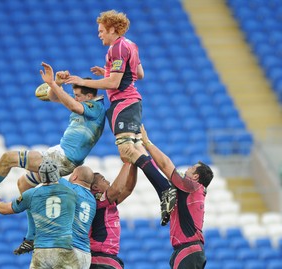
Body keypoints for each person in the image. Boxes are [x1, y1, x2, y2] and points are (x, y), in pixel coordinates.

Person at [0, 62, 106, 209]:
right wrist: (57, 83)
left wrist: (52, 85)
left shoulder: (96, 107)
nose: (75, 97)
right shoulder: (85, 104)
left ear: (88, 96)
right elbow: (54, 97)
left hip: (65, 159)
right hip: (59, 153)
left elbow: (73, 105)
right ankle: (32, 235)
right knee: (23, 184)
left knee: (8, 158)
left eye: (78, 95)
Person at [122, 125, 214, 269]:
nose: (187, 169)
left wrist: (147, 143)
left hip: (189, 250)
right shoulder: (186, 193)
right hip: (186, 251)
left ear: (196, 176)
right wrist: (139, 148)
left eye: (191, 168)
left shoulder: (192, 186)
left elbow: (165, 165)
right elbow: (158, 179)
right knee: (166, 190)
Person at [65, 10, 147, 164]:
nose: (99, 35)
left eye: (101, 31)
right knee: (135, 150)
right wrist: (108, 72)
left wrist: (82, 81)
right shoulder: (131, 45)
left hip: (124, 102)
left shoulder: (116, 48)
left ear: (112, 29)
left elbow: (113, 83)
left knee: (127, 151)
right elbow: (139, 73)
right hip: (133, 102)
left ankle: (162, 186)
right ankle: (163, 183)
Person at [0, 159, 80, 269]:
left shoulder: (31, 194)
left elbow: (5, 209)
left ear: (40, 176)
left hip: (42, 249)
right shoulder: (72, 193)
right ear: (58, 174)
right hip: (64, 248)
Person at [16, 165, 97, 269]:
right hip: (84, 255)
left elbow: (46, 171)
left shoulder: (68, 186)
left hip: (68, 249)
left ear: (75, 177)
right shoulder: (92, 200)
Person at [89, 162, 137, 269]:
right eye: (103, 179)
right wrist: (127, 162)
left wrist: (134, 164)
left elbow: (128, 189)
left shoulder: (107, 201)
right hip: (99, 258)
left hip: (107, 257)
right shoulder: (94, 200)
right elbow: (116, 189)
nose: (108, 182)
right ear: (96, 187)